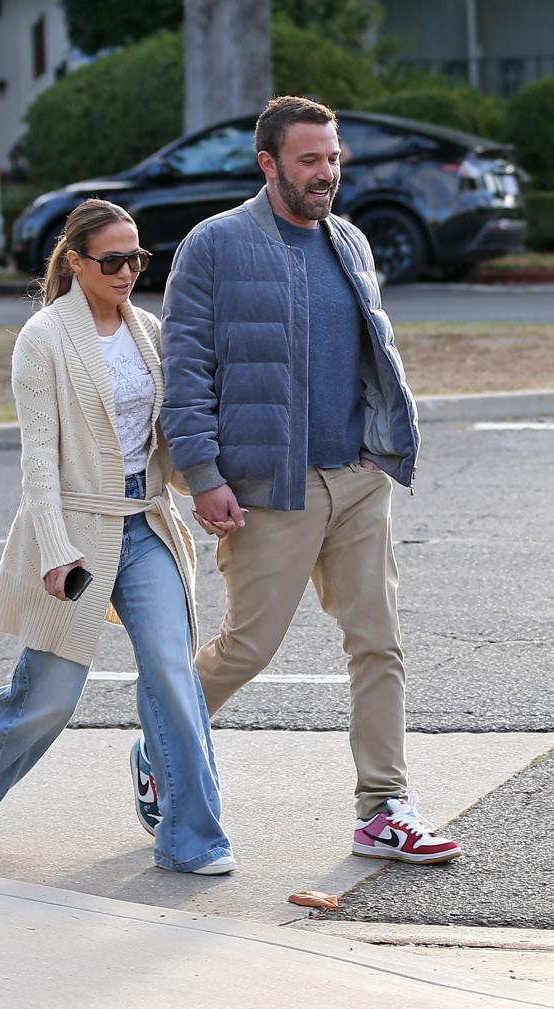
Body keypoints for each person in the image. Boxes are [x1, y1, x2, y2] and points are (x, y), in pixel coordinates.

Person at [132, 96, 461, 865]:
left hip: (357, 478)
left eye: (334, 158)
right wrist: (205, 473)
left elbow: (372, 353)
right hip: (265, 488)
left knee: (378, 642)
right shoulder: (214, 246)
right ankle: (161, 744)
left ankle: (383, 807)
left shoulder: (349, 240)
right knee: (247, 647)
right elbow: (185, 374)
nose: (327, 174)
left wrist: (382, 450)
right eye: (311, 160)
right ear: (269, 163)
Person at [0, 198, 235, 876]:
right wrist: (53, 547)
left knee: (171, 673)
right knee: (50, 692)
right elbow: (38, 457)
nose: (129, 270)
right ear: (75, 261)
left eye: (138, 258)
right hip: (75, 529)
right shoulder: (42, 337)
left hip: (148, 521)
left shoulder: (151, 330)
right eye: (113, 259)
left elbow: (169, 436)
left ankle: (193, 836)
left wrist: (212, 489)